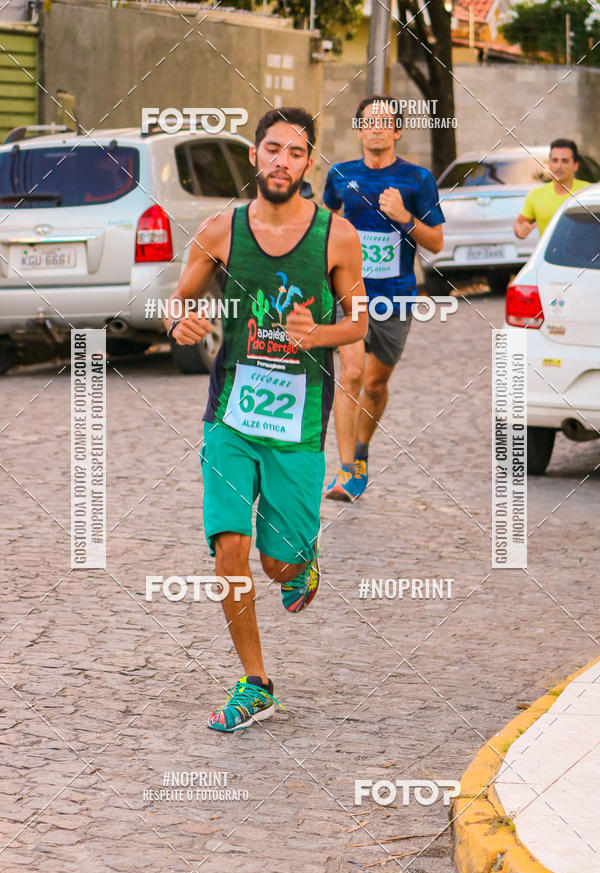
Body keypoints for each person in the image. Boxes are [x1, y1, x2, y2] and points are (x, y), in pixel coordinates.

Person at [162, 107, 367, 733]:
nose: (282, 161)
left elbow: (358, 323)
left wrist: (318, 332)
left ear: (309, 163)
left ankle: (299, 564)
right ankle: (255, 681)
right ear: (255, 156)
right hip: (230, 415)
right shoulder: (220, 229)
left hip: (300, 425)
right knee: (230, 547)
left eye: (296, 152)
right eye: (272, 149)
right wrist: (178, 321)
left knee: (278, 564)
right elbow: (179, 299)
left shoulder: (337, 236)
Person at [322, 95, 444, 502]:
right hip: (349, 295)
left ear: (397, 131)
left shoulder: (417, 180)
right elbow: (324, 226)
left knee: (374, 384)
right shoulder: (340, 175)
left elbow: (437, 243)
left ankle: (362, 449)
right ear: (358, 129)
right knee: (352, 374)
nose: (376, 127)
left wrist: (405, 218)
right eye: (368, 121)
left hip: (396, 298)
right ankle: (345, 469)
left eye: (384, 121)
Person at [514, 138, 590, 240]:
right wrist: (520, 230)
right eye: (555, 160)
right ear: (549, 164)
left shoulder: (589, 192)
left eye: (565, 161)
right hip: (548, 256)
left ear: (575, 166)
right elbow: (519, 224)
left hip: (586, 255)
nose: (559, 166)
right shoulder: (536, 194)